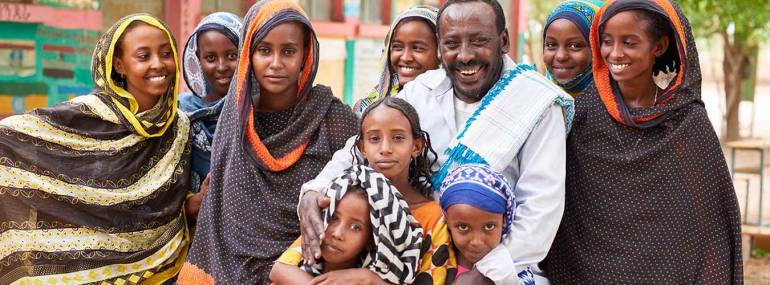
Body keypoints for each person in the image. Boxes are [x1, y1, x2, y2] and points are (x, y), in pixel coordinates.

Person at [298, 1, 575, 284]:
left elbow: (540, 210)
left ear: (502, 40)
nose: (464, 56)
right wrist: (312, 193)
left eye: (478, 41)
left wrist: (484, 274)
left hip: (500, 268)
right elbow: (357, 150)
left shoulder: (535, 102)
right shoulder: (422, 90)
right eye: (452, 43)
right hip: (417, 258)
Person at [542, 0, 743, 283]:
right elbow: (555, 203)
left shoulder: (686, 121)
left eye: (629, 42)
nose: (615, 53)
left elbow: (711, 221)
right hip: (585, 273)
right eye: (607, 41)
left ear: (658, 46)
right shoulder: (582, 114)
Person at [0, 14, 193, 284]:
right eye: (143, 56)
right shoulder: (87, 115)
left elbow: (171, 201)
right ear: (119, 65)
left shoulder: (179, 126)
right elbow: (12, 136)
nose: (158, 64)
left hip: (160, 266)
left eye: (165, 53)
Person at [177, 0, 359, 284]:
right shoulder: (236, 115)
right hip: (228, 271)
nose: (276, 63)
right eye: (264, 50)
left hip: (305, 271)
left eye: (288, 51)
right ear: (249, 52)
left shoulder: (332, 117)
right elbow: (223, 215)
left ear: (305, 55)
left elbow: (359, 190)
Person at [275, 97, 456, 284]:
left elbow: (434, 277)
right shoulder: (345, 198)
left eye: (398, 138)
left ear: (416, 146)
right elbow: (282, 267)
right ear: (362, 147)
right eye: (375, 139)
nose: (385, 149)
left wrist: (369, 280)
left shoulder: (433, 218)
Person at [270, 165, 423, 284]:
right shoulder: (312, 240)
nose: (337, 233)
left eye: (355, 227)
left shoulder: (368, 278)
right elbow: (278, 269)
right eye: (334, 218)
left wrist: (367, 279)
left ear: (372, 239)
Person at [178, 12, 243, 198]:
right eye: (211, 58)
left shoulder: (260, 110)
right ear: (198, 58)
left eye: (232, 55)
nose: (221, 66)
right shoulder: (182, 110)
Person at [439, 165, 534, 285]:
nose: (476, 242)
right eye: (463, 227)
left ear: (504, 220)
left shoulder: (514, 274)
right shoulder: (436, 261)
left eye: (489, 227)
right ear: (446, 219)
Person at [354, 6, 440, 114]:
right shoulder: (367, 109)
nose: (405, 57)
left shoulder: (454, 108)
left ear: (441, 52)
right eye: (397, 47)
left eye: (417, 48)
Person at [542, 0, 603, 96]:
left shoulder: (622, 104)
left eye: (575, 46)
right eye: (551, 45)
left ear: (597, 48)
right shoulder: (537, 101)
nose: (560, 56)